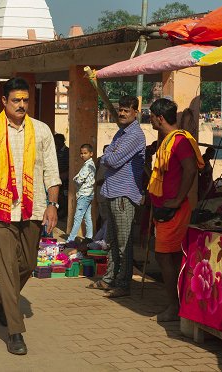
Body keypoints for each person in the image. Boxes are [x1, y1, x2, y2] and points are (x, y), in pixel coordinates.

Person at [0, 77, 61, 355]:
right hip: (1, 209)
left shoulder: (41, 131)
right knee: (7, 269)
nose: (21, 105)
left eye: (25, 100)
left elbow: (52, 173)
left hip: (33, 208)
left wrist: (53, 205)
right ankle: (15, 331)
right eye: (16, 100)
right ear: (4, 102)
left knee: (28, 264)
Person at [147, 98, 204, 322]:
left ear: (159, 118)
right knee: (167, 256)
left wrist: (178, 199)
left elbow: (190, 170)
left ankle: (174, 306)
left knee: (166, 256)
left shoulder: (179, 141)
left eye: (151, 116)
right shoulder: (167, 140)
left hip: (173, 208)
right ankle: (177, 304)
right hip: (163, 207)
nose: (149, 120)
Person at [87, 95, 146, 298]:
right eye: (120, 110)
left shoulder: (135, 135)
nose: (121, 113)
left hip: (124, 193)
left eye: (126, 110)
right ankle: (109, 278)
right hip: (112, 191)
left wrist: (107, 155)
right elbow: (108, 154)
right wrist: (108, 155)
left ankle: (123, 282)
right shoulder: (121, 133)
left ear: (135, 112)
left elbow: (110, 159)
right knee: (111, 239)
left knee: (123, 242)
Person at [66, 144, 96, 244]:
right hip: (88, 194)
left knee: (78, 217)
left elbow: (79, 179)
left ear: (91, 154)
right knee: (87, 217)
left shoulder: (88, 165)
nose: (82, 155)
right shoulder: (89, 164)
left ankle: (71, 239)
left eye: (85, 153)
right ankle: (89, 237)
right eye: (81, 153)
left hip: (84, 195)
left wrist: (75, 179)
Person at [54, 133, 69, 219]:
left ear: (62, 141)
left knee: (64, 196)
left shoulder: (67, 151)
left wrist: (65, 174)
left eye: (57, 140)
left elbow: (69, 165)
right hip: (56, 176)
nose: (56, 142)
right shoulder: (56, 151)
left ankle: (64, 213)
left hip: (64, 178)